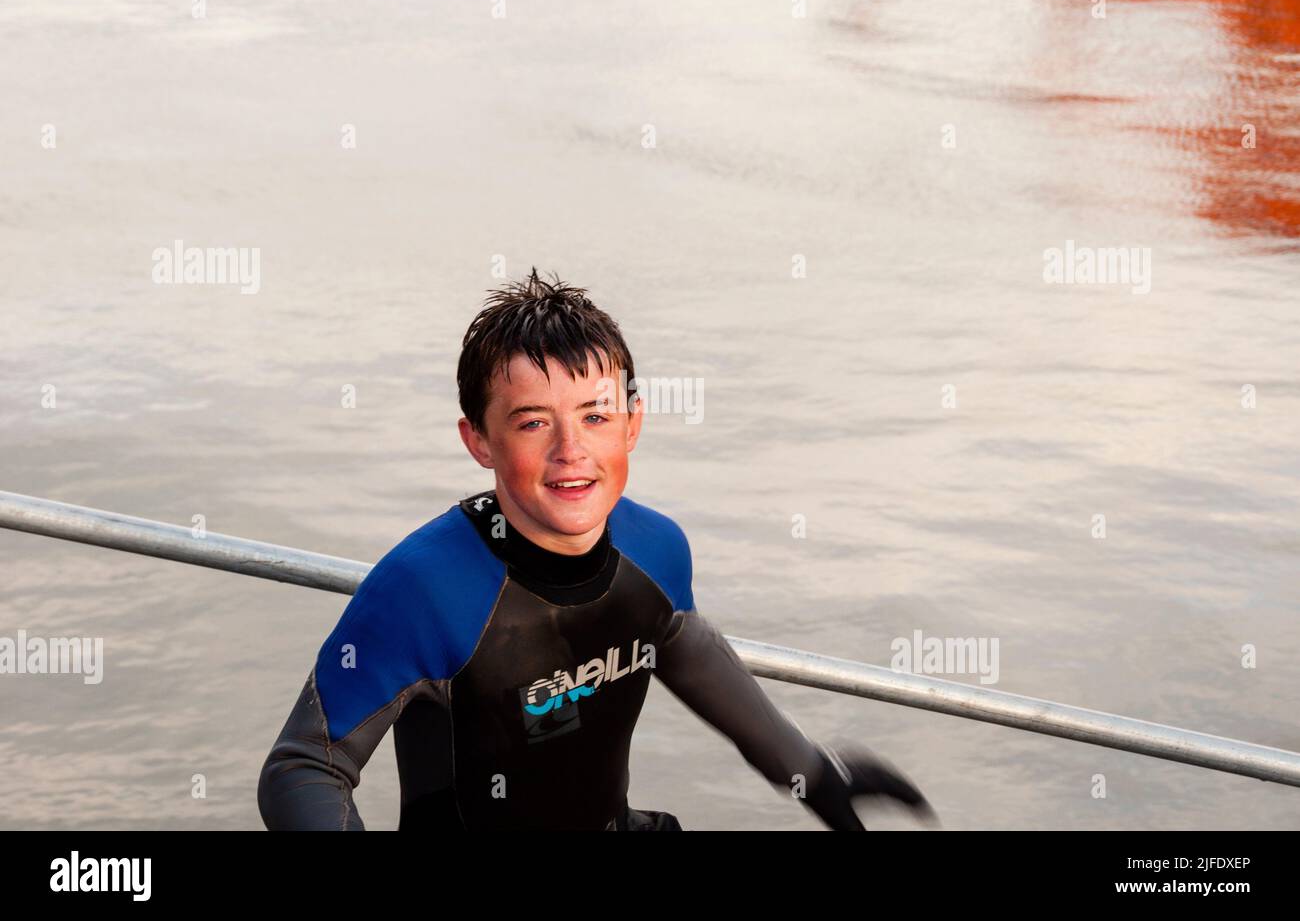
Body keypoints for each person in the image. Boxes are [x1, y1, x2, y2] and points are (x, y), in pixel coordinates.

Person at [257, 268, 935, 830]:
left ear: (632, 424)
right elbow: (305, 766)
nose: (570, 450)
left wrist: (814, 773)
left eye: (595, 416)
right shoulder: (425, 587)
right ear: (479, 441)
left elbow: (690, 650)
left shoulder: (656, 549)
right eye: (532, 423)